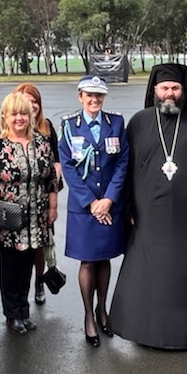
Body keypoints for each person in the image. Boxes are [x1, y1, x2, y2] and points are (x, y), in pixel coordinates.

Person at [109, 64, 187, 350]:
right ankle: (146, 331)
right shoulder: (139, 123)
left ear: (183, 91)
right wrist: (127, 207)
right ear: (154, 90)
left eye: (175, 88)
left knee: (185, 276)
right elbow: (126, 171)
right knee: (149, 276)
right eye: (164, 88)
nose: (170, 94)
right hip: (148, 218)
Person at [59, 76, 128, 347]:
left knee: (105, 258)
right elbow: (68, 168)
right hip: (84, 209)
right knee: (88, 261)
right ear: (80, 97)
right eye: (89, 95)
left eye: (99, 96)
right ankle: (89, 315)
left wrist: (109, 199)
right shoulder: (68, 126)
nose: (94, 100)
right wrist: (92, 203)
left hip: (110, 205)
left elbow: (122, 163)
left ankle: (103, 310)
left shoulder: (116, 123)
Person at [0, 93, 58, 335]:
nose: (19, 118)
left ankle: (23, 311)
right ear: (5, 115)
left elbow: (51, 179)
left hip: (36, 216)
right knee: (10, 265)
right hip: (8, 218)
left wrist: (53, 208)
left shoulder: (42, 143)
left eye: (23, 113)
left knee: (27, 265)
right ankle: (11, 314)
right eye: (14, 113)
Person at [13, 83, 62, 306]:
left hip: (43, 199)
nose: (31, 105)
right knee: (19, 250)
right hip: (18, 204)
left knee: (41, 245)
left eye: (34, 101)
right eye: (26, 100)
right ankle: (18, 295)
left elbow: (57, 161)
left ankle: (39, 282)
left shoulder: (47, 127)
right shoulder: (7, 129)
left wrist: (56, 176)